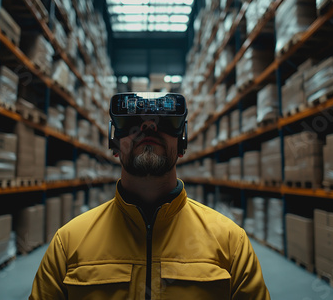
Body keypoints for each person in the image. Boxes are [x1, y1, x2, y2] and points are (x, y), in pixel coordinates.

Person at [30, 92, 270, 299]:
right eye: (133, 121)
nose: (148, 127)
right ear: (114, 143)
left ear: (182, 142)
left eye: (165, 121)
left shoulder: (231, 244)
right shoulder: (68, 244)